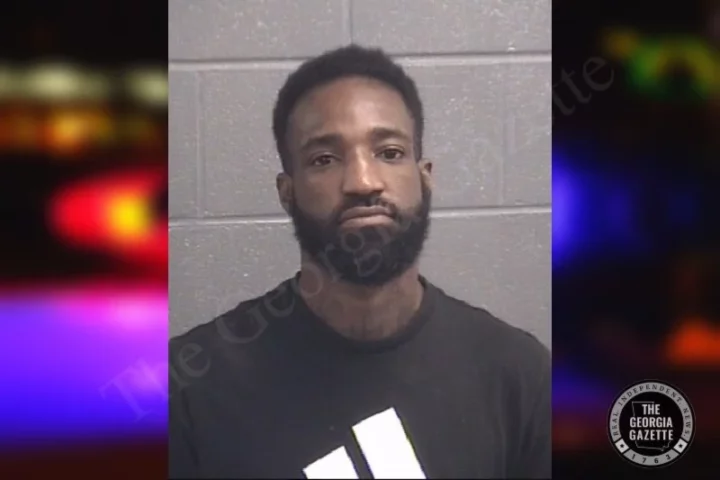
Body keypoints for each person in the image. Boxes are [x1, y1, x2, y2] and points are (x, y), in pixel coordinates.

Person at [169, 44, 551, 479]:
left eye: (389, 152)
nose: (363, 181)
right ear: (287, 192)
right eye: (324, 159)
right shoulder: (191, 387)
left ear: (424, 177)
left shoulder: (517, 375)